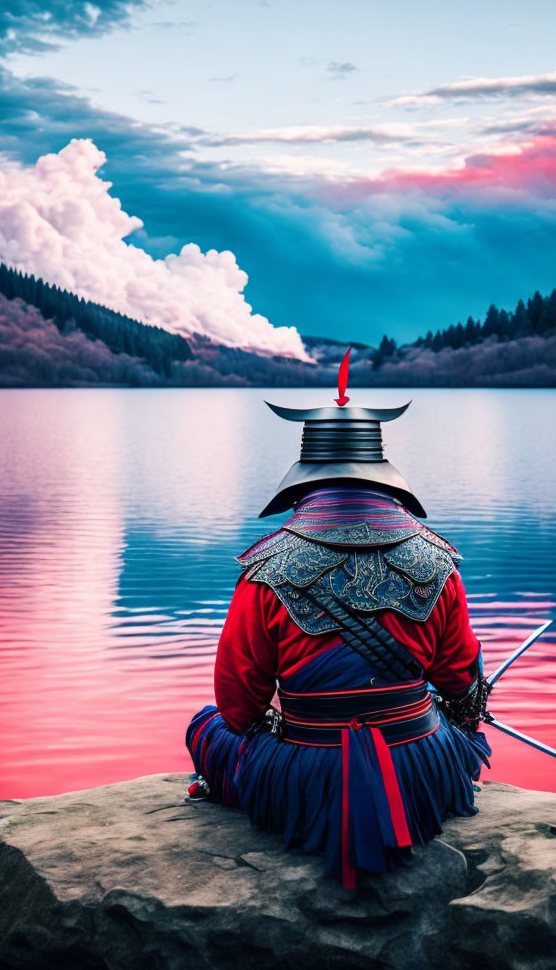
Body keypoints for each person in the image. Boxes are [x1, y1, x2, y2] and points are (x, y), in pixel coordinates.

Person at [186, 364, 490, 888]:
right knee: (446, 724)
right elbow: (464, 687)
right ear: (383, 476)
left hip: (308, 776)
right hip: (417, 770)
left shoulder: (264, 571)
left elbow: (237, 710)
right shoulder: (439, 561)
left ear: (305, 479)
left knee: (205, 726)